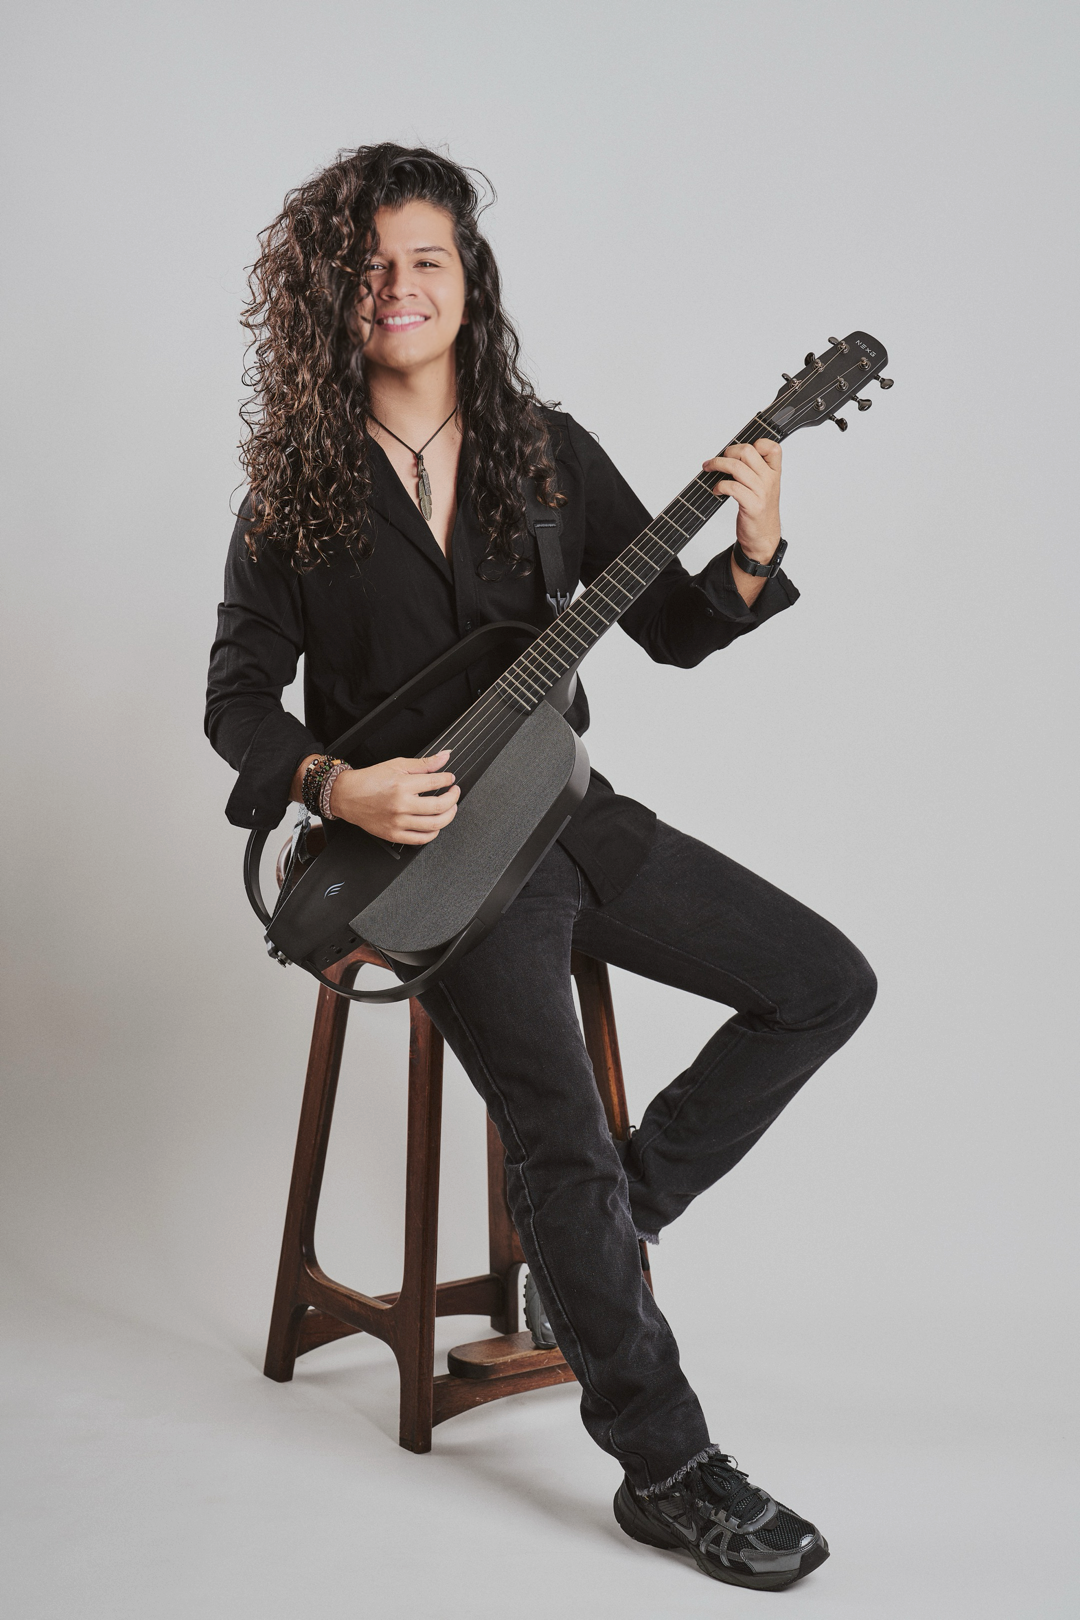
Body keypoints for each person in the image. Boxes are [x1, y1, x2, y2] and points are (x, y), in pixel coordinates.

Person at [205, 143, 876, 1593]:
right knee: (555, 1137)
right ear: (332, 295)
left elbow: (674, 633)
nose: (400, 288)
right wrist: (336, 784)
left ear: (470, 279)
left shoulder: (548, 452)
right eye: (370, 267)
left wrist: (753, 550)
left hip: (575, 818)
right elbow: (237, 703)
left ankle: (610, 1228)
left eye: (427, 260)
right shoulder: (297, 489)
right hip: (431, 874)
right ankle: (668, 1467)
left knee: (824, 981)